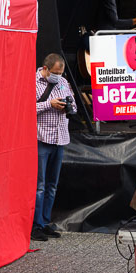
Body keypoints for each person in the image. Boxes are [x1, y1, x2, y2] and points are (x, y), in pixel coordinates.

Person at [34, 52, 75, 242]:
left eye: (61, 73)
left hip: (60, 138)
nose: (58, 76)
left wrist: (69, 106)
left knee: (52, 185)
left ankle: (45, 221)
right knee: (39, 186)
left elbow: (73, 104)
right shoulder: (33, 83)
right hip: (42, 138)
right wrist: (48, 104)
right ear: (45, 69)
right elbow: (26, 107)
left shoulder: (63, 83)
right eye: (56, 73)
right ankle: (35, 225)